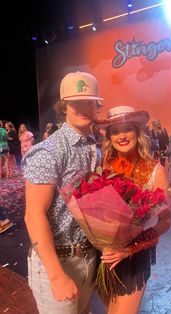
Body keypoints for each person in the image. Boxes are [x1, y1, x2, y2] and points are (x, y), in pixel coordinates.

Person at [21, 71, 103, 314]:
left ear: (97, 106)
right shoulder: (49, 151)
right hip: (56, 263)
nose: (82, 107)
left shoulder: (94, 148)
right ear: (63, 106)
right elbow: (33, 215)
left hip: (87, 258)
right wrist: (56, 275)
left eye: (89, 101)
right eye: (75, 102)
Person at [97, 106, 171, 314]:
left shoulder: (155, 170)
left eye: (127, 129)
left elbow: (166, 221)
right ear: (109, 136)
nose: (121, 136)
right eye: (115, 131)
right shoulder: (104, 165)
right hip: (104, 255)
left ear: (137, 132)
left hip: (133, 258)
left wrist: (130, 248)